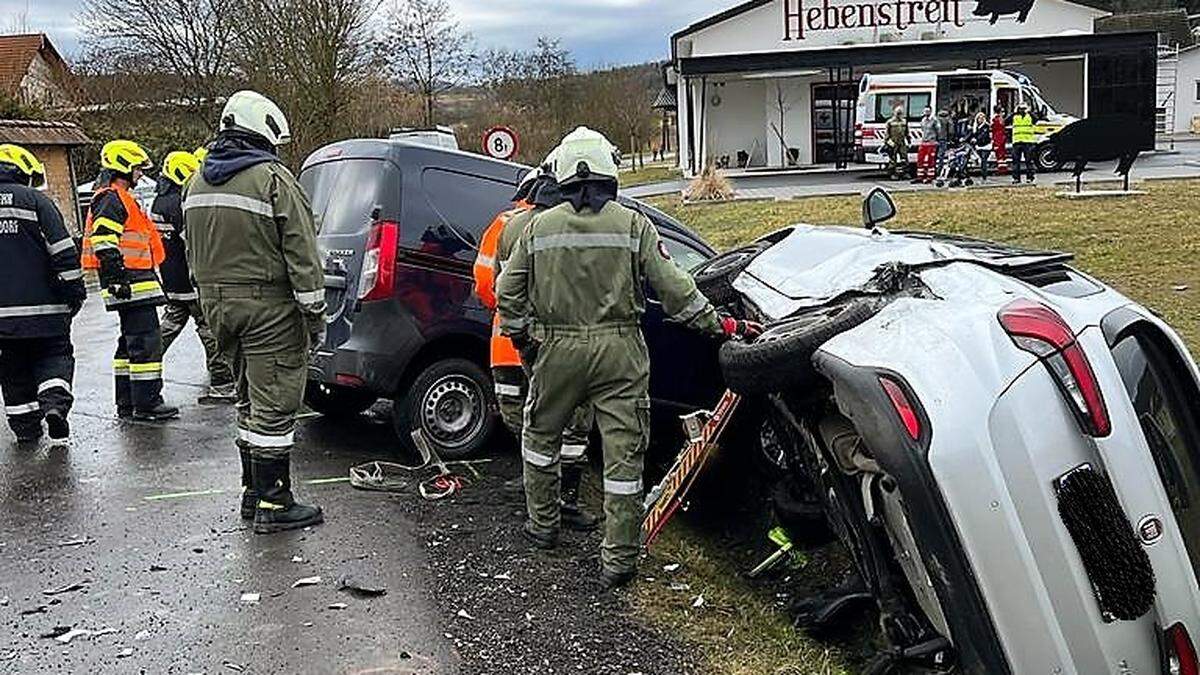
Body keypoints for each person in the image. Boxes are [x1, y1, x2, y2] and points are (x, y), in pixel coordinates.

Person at [496, 126, 762, 590]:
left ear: (561, 175)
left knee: (540, 438)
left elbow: (507, 291)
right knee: (623, 457)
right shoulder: (633, 224)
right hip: (620, 353)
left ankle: (542, 527)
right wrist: (724, 327)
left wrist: (523, 340)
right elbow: (677, 292)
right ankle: (618, 560)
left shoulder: (537, 227)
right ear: (608, 173)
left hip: (556, 349)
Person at [183, 90, 325, 534]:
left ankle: (252, 492)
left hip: (217, 306)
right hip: (268, 307)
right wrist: (314, 314)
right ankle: (274, 501)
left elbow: (190, 248)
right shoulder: (272, 179)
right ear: (263, 132)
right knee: (275, 402)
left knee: (247, 398)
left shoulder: (197, 180)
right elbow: (302, 252)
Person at [473, 162, 599, 531]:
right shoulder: (580, 223)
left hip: (511, 344)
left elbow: (491, 287)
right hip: (568, 345)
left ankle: (539, 498)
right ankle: (566, 499)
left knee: (529, 419)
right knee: (572, 424)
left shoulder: (507, 225)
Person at [82, 140, 179, 421]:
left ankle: (128, 401)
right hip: (130, 283)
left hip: (130, 283)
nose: (139, 174)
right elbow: (104, 240)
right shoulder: (112, 198)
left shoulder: (115, 197)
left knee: (129, 343)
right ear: (122, 166)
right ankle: (147, 403)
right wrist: (116, 278)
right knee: (145, 342)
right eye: (136, 168)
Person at [0, 144, 86, 445]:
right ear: (23, 172)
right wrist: (75, 293)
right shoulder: (37, 201)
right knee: (55, 356)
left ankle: (25, 429)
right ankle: (54, 406)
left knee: (12, 370)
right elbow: (64, 253)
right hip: (47, 309)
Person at [152, 150, 236, 402]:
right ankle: (222, 384)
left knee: (168, 328)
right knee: (209, 330)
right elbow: (195, 242)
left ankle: (141, 368)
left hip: (172, 279)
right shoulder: (180, 203)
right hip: (193, 281)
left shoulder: (159, 202)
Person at [1011, 102, 1037, 184]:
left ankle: (1030, 178)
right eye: (1021, 108)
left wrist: (1030, 112)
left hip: (1028, 141)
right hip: (1017, 141)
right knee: (1016, 161)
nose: (1022, 110)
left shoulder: (1030, 116)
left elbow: (1036, 119)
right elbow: (1006, 120)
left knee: (1029, 161)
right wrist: (1015, 112)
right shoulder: (1015, 116)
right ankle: (1016, 178)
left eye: (1024, 108)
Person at [914, 107, 938, 184]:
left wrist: (936, 140)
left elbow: (939, 130)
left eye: (928, 111)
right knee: (920, 160)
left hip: (931, 143)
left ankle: (930, 177)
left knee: (930, 160)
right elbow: (922, 130)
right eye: (925, 111)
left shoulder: (934, 120)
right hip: (923, 142)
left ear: (931, 111)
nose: (926, 112)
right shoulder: (923, 120)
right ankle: (920, 177)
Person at [884, 106, 908, 181]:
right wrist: (889, 142)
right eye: (898, 113)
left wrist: (909, 141)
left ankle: (904, 173)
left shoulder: (904, 121)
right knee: (892, 159)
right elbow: (887, 134)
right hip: (893, 142)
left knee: (904, 158)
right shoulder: (890, 122)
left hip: (902, 142)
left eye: (900, 113)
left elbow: (907, 132)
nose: (899, 114)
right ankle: (892, 174)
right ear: (894, 113)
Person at [969, 111, 993, 183]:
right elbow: (972, 134)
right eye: (979, 118)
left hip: (986, 146)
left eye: (982, 117)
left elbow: (984, 135)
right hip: (978, 146)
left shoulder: (986, 126)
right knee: (981, 161)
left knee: (984, 160)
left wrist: (976, 139)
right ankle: (983, 176)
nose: (981, 119)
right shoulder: (975, 127)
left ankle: (984, 177)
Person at [934, 109, 953, 182]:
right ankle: (940, 172)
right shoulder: (948, 119)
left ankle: (934, 172)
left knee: (934, 156)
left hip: (935, 140)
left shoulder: (935, 119)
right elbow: (951, 131)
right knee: (941, 157)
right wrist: (950, 139)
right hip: (944, 139)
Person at [991, 106, 1009, 177]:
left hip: (998, 139)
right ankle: (1003, 169)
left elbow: (995, 131)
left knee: (1000, 156)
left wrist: (995, 143)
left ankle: (1001, 170)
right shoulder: (1000, 120)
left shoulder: (996, 119)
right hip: (1001, 139)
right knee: (1001, 156)